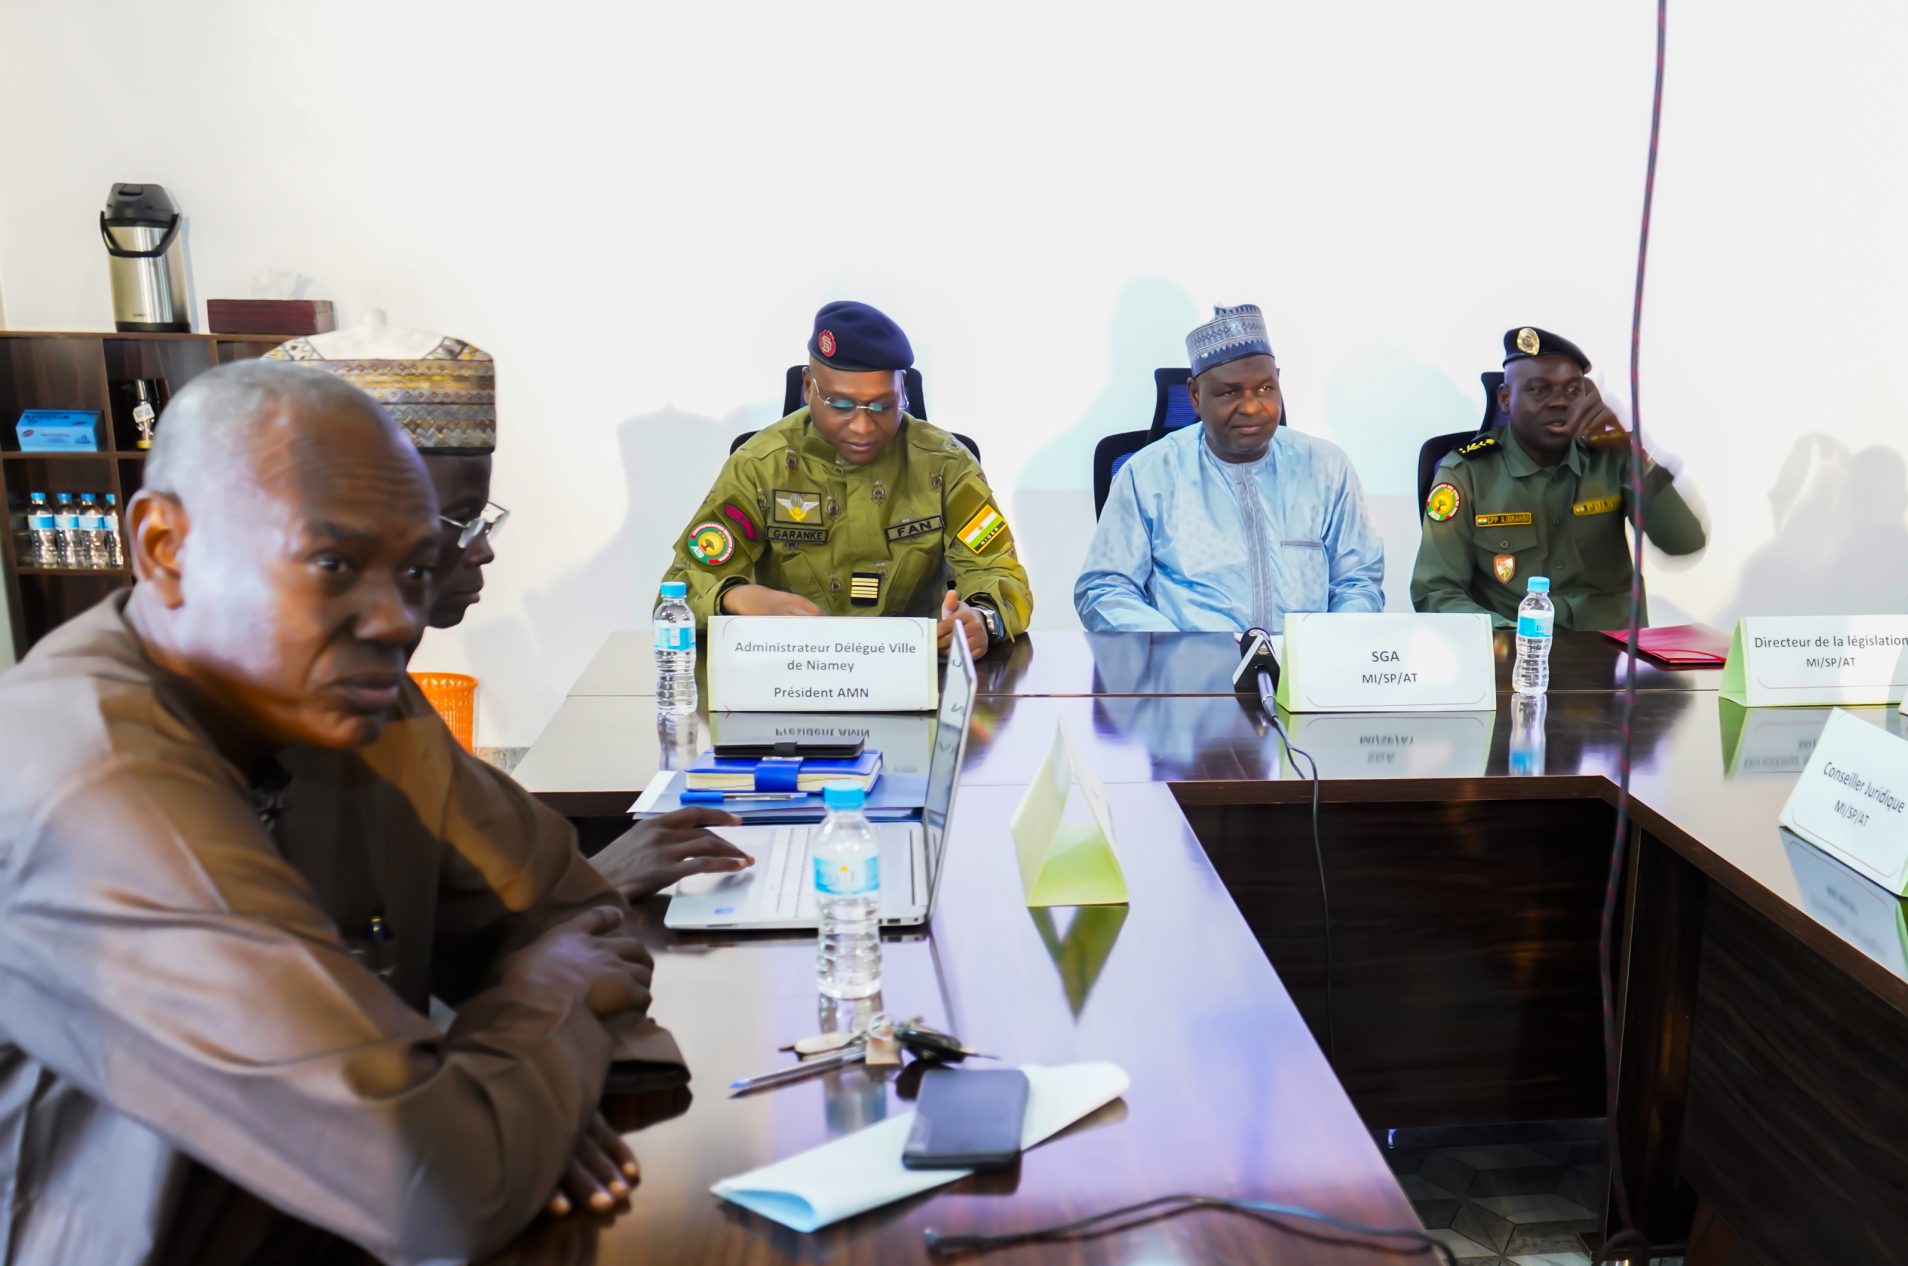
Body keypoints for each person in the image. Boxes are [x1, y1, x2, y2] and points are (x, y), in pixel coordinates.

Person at [0, 361, 683, 1266]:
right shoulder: (90, 779)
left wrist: (501, 1096)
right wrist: (508, 1081)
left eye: (418, 569)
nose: (395, 618)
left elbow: (570, 904)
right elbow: (435, 1177)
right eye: (335, 565)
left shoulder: (339, 697)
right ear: (164, 547)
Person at [266, 327, 750, 897]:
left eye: (483, 519)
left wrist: (590, 879)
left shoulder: (385, 691)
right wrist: (594, 884)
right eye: (459, 520)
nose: (482, 549)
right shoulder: (268, 727)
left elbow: (496, 858)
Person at [663, 301, 1029, 660]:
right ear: (808, 387)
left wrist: (984, 619)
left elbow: (997, 569)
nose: (863, 426)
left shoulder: (946, 464)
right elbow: (682, 587)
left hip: (915, 670)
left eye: (882, 405)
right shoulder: (759, 466)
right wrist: (734, 597)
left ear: (903, 391)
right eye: (840, 405)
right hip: (789, 673)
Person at [1073, 303, 1384, 630]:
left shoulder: (1325, 467)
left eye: (1265, 388)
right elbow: (1104, 589)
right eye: (1229, 392)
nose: (1251, 407)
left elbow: (1358, 582)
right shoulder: (1148, 475)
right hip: (1190, 659)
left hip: (1302, 659)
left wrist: (1331, 645)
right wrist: (1175, 649)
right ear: (1195, 396)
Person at [1410, 325, 1705, 630]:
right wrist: (1517, 637)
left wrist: (1636, 458)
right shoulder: (1467, 473)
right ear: (1505, 399)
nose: (1560, 402)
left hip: (1612, 647)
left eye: (1573, 391)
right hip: (1516, 645)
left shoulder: (1612, 458)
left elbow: (1685, 543)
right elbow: (1436, 593)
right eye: (1540, 390)